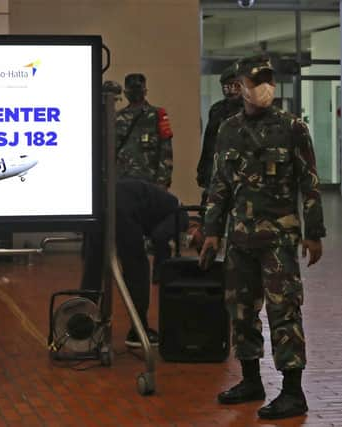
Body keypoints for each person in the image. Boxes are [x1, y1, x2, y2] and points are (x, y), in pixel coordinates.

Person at [200, 55, 325, 420]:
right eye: (256, 81)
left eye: (268, 80)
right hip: (239, 238)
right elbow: (219, 185)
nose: (264, 87)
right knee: (241, 311)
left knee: (284, 311)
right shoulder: (228, 128)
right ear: (240, 85)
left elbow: (310, 183)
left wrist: (314, 233)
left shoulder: (292, 127)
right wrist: (211, 232)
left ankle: (292, 392)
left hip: (279, 240)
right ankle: (251, 380)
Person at [81, 178, 195, 348]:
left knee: (94, 268)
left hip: (100, 202)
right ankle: (138, 330)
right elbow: (160, 236)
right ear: (196, 225)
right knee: (137, 270)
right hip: (123, 210)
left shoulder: (166, 201)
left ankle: (81, 325)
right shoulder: (182, 215)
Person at [116, 73, 175, 284]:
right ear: (125, 92)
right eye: (131, 89)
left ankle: (161, 270)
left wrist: (163, 182)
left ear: (145, 90)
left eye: (138, 89)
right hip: (124, 186)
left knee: (158, 236)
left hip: (150, 186)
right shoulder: (117, 118)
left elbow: (166, 151)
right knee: (129, 237)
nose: (135, 93)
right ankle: (130, 275)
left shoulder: (158, 115)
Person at [196, 65, 243, 204]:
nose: (231, 90)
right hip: (216, 172)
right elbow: (209, 142)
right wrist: (203, 171)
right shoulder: (217, 110)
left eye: (236, 85)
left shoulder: (249, 110)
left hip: (241, 173)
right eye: (227, 86)